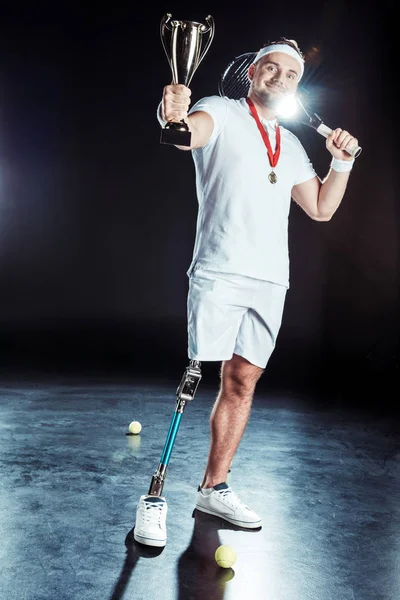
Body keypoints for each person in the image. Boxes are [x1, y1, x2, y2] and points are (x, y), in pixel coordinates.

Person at [133, 38, 359, 547]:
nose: (280, 78)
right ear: (253, 72)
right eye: (271, 69)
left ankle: (214, 487)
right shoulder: (221, 110)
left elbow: (321, 207)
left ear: (296, 84)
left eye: (291, 74)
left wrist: (340, 163)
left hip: (270, 278)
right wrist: (171, 112)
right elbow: (185, 134)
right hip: (219, 270)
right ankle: (154, 497)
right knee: (194, 378)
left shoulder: (294, 144)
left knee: (242, 379)